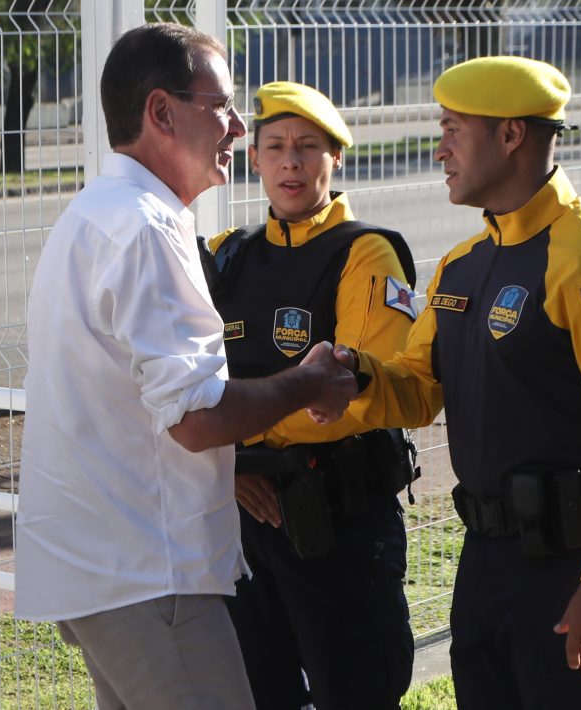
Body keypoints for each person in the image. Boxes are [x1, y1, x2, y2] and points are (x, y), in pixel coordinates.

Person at [325, 56, 581, 709]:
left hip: (575, 570)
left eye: (452, 130)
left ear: (512, 135)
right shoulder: (464, 265)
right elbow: (416, 389)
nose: (439, 150)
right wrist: (353, 378)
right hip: (487, 562)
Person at [14, 24, 358, 710]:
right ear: (162, 113)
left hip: (107, 573)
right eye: (221, 105)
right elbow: (197, 420)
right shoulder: (147, 227)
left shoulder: (95, 212)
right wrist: (309, 382)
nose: (237, 125)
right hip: (147, 578)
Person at [205, 81, 417, 709]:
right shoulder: (229, 255)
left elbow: (351, 392)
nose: (290, 162)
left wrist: (236, 440)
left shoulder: (366, 252)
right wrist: (232, 462)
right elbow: (183, 380)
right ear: (254, 160)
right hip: (246, 524)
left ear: (336, 158)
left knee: (356, 692)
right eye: (274, 147)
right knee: (259, 692)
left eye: (307, 147)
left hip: (339, 523)